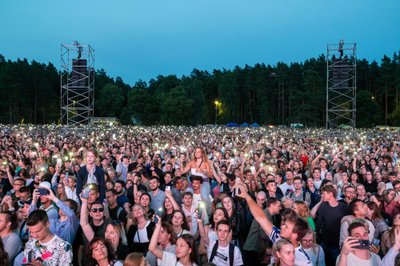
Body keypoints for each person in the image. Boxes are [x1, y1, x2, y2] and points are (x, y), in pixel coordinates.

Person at [235, 183, 312, 265]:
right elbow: (261, 218)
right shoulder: (278, 237)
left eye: (286, 226)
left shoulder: (304, 261)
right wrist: (247, 196)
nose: (282, 226)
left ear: (295, 234)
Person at [312, 185, 348, 266]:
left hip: (337, 246)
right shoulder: (323, 206)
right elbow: (317, 224)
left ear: (330, 194)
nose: (322, 195)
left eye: (324, 193)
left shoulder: (343, 207)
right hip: (324, 243)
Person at [243, 197, 282, 265]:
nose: (280, 208)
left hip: (255, 249)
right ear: (272, 205)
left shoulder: (267, 215)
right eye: (278, 206)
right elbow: (264, 234)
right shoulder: (265, 216)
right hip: (253, 249)